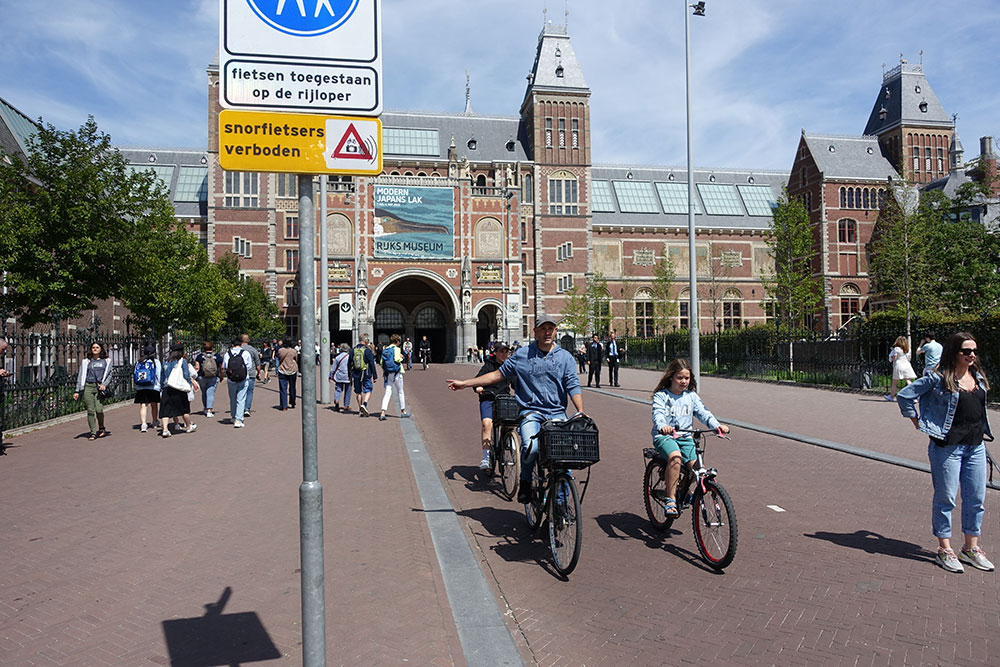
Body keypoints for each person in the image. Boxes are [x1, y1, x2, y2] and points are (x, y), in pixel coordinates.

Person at [447, 315, 584, 504]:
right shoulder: (522, 355)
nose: (547, 332)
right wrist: (465, 383)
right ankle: (526, 481)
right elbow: (496, 375)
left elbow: (573, 385)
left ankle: (561, 507)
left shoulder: (565, 357)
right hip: (531, 412)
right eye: (543, 328)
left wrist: (580, 411)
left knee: (563, 458)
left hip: (557, 412)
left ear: (555, 331)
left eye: (550, 328)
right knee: (531, 447)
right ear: (535, 331)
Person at [897, 332, 994, 573]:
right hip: (948, 448)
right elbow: (905, 396)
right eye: (966, 351)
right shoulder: (938, 378)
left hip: (976, 447)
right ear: (954, 352)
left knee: (976, 499)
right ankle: (945, 549)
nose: (972, 355)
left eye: (974, 351)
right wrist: (919, 422)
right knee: (946, 498)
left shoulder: (977, 377)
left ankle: (971, 548)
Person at [650, 358, 730, 517]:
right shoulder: (662, 396)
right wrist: (663, 426)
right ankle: (670, 499)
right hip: (665, 437)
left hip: (685, 437)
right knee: (675, 458)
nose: (683, 381)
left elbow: (703, 413)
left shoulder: (691, 396)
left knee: (698, 469)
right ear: (671, 377)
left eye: (686, 378)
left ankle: (681, 490)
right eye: (679, 377)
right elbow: (658, 413)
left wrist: (717, 426)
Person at [472, 342, 514, 471]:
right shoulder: (488, 366)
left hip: (504, 399)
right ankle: (485, 457)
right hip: (489, 398)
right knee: (487, 424)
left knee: (512, 421)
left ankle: (508, 438)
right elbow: (478, 379)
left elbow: (516, 383)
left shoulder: (510, 367)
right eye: (501, 352)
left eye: (506, 352)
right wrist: (478, 387)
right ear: (495, 353)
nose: (504, 354)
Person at [74, 341, 113, 440]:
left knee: (99, 410)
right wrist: (77, 390)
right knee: (90, 410)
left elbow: (109, 375)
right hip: (88, 386)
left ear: (101, 349)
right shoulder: (86, 361)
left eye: (97, 347)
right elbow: (80, 376)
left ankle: (101, 427)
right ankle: (93, 433)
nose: (95, 349)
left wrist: (104, 384)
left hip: (99, 387)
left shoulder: (106, 361)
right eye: (93, 347)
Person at [159, 342, 197, 437]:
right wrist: (189, 385)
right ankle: (188, 426)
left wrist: (162, 387)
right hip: (178, 388)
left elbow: (162, 377)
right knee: (184, 409)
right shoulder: (182, 361)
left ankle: (165, 429)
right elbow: (186, 375)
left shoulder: (165, 362)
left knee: (165, 410)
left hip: (167, 388)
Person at [378, 333, 410, 421]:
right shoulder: (396, 349)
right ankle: (403, 411)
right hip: (397, 373)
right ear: (397, 341)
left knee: (387, 392)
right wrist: (402, 357)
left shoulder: (386, 349)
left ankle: (383, 412)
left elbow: (381, 362)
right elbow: (397, 359)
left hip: (388, 374)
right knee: (400, 391)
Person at [222, 337, 252, 427]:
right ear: (241, 344)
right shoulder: (245, 353)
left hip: (231, 379)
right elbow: (249, 366)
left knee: (233, 398)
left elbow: (225, 366)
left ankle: (233, 416)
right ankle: (238, 420)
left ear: (232, 344)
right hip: (243, 378)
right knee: (241, 399)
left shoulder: (227, 354)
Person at [133, 343, 162, 433]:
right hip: (153, 386)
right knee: (154, 405)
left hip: (141, 387)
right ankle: (154, 421)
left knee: (143, 405)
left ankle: (143, 424)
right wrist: (160, 386)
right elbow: (158, 374)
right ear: (154, 353)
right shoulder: (156, 362)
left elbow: (135, 373)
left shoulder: (139, 362)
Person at [194, 341, 224, 418]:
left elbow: (197, 368)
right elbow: (222, 368)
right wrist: (221, 376)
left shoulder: (200, 356)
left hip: (202, 377)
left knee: (204, 393)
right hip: (213, 377)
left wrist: (195, 377)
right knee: (210, 393)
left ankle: (205, 408)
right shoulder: (217, 356)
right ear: (212, 347)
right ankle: (209, 410)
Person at [352, 334, 378, 417]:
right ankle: (364, 404)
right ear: (366, 341)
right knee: (368, 389)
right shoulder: (367, 351)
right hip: (366, 373)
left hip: (356, 373)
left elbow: (349, 363)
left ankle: (360, 409)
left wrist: (349, 374)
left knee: (358, 392)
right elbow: (371, 364)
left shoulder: (353, 350)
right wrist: (375, 376)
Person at [885, 336, 917, 401]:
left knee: (894, 383)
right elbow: (909, 358)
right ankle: (914, 396)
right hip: (907, 365)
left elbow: (895, 358)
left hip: (899, 365)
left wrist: (891, 357)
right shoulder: (908, 349)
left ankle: (891, 396)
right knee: (908, 381)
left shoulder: (896, 349)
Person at [240, 334, 261, 418]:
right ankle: (247, 408)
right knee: (249, 391)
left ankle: (240, 408)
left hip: (240, 373)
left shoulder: (238, 349)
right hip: (251, 373)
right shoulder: (253, 350)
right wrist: (258, 373)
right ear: (248, 340)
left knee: (240, 391)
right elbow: (257, 363)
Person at [276, 338, 299, 411]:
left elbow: (279, 357)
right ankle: (292, 402)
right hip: (292, 370)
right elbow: (296, 359)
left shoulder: (280, 351)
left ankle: (284, 406)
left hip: (282, 370)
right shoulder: (294, 351)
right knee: (292, 387)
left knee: (283, 389)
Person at [330, 343, 353, 413]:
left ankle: (336, 400)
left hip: (339, 376)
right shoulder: (350, 357)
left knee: (338, 389)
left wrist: (330, 375)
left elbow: (333, 368)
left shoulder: (338, 357)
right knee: (348, 391)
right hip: (348, 376)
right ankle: (346, 405)